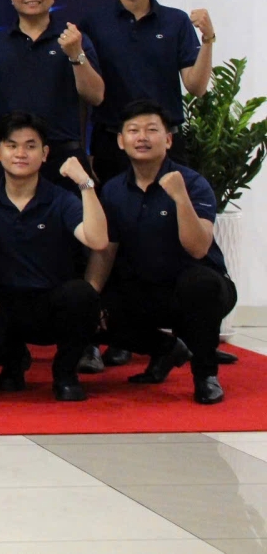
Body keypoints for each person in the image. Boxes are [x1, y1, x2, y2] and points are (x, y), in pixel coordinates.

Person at [97, 100, 237, 404]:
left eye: (151, 130)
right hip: (147, 289)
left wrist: (180, 197)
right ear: (121, 141)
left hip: (201, 288)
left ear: (169, 139)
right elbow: (107, 252)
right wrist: (93, 294)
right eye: (133, 130)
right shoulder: (113, 190)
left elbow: (198, 248)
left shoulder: (193, 183)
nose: (142, 137)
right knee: (90, 306)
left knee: (198, 285)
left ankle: (206, 375)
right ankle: (166, 350)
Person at [0, 112, 108, 400]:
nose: (21, 153)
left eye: (30, 146)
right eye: (12, 145)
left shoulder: (62, 199)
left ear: (44, 154)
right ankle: (13, 362)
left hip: (49, 303)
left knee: (83, 295)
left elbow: (98, 239)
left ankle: (65, 374)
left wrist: (84, 182)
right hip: (0, 304)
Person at [79, 0, 213, 180]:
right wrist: (84, 150)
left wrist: (207, 40)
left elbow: (196, 87)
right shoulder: (93, 24)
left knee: (173, 204)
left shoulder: (176, 21)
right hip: (112, 143)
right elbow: (85, 94)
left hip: (165, 142)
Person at [0, 0, 103, 189]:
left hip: (65, 161)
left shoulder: (74, 39)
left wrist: (76, 54)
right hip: (13, 161)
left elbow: (96, 96)